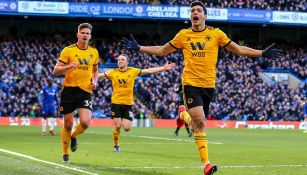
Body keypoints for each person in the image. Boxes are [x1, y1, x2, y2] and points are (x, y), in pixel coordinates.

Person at [121, 1, 283, 174]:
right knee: (200, 123)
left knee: (196, 125)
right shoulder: (183, 35)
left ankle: (183, 113)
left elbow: (238, 50)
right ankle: (206, 164)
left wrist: (262, 53)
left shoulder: (216, 34)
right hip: (190, 83)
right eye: (192, 11)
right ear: (190, 16)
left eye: (198, 10)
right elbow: (162, 50)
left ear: (205, 16)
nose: (194, 13)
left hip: (209, 85)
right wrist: (139, 48)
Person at [99, 54, 175, 152]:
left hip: (128, 104)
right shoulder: (112, 72)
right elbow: (99, 75)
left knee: (126, 128)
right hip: (116, 103)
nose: (119, 61)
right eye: (119, 60)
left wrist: (163, 68)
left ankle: (121, 122)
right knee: (117, 126)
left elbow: (148, 70)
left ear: (126, 62)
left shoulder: (132, 71)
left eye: (122, 60)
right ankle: (116, 145)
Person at [52, 23, 99, 162]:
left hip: (85, 90)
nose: (85, 35)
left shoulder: (94, 52)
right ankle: (65, 154)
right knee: (67, 124)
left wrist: (95, 81)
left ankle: (74, 135)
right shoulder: (68, 50)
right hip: (69, 90)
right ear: (77, 34)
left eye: (87, 33)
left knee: (85, 122)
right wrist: (68, 66)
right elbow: (55, 70)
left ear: (90, 36)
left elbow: (95, 70)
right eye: (82, 33)